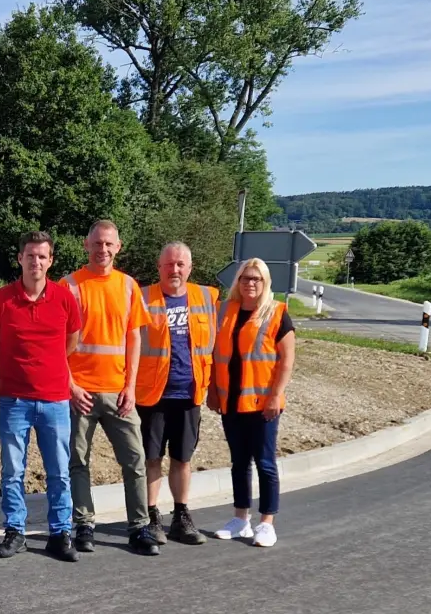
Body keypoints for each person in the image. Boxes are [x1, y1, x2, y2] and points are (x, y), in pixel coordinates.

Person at [0, 231, 82, 562]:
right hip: (14, 399)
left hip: (55, 399)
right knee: (13, 470)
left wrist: (49, 365)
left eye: (42, 256)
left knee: (59, 471)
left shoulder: (64, 298)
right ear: (20, 259)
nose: (35, 261)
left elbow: (72, 340)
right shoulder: (2, 299)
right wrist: (16, 361)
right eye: (30, 255)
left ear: (50, 260)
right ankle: (15, 531)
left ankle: (60, 533)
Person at [64, 220, 160, 556]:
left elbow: (134, 338)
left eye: (108, 244)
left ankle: (139, 527)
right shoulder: (71, 286)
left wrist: (130, 386)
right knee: (78, 462)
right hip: (81, 395)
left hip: (120, 393)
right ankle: (84, 524)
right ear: (85, 245)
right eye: (96, 244)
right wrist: (71, 385)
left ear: (118, 247)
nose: (102, 250)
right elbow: (56, 342)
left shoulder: (129, 286)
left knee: (135, 460)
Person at [208, 257, 297, 548]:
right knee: (238, 463)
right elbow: (215, 354)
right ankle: (240, 519)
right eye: (246, 278)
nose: (250, 283)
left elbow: (287, 361)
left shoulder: (277, 313)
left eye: (256, 279)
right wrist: (212, 390)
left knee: (265, 464)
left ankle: (267, 522)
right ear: (238, 281)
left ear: (265, 282)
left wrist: (275, 395)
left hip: (263, 404)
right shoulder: (226, 310)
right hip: (231, 400)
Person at [137, 242, 218, 546]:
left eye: (181, 264)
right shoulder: (143, 297)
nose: (175, 270)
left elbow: (217, 345)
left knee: (182, 459)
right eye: (169, 264)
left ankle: (181, 516)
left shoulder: (207, 298)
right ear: (159, 267)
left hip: (189, 393)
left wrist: (216, 390)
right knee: (151, 459)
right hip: (151, 395)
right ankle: (151, 517)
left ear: (190, 267)